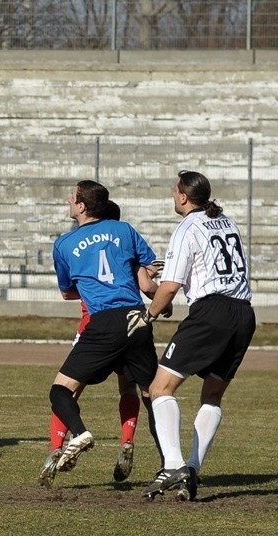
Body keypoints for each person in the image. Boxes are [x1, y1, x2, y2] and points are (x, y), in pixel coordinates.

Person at [138, 170, 255, 501]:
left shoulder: (187, 227)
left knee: (160, 388)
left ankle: (173, 464)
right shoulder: (226, 220)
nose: (173, 196)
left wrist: (148, 314)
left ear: (184, 197)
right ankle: (192, 468)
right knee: (212, 395)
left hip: (212, 312)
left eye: (174, 191)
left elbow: (169, 288)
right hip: (243, 314)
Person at [43, 180, 163, 485]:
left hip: (101, 323)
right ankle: (169, 462)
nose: (68, 201)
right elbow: (148, 279)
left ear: (82, 206)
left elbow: (68, 292)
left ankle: (73, 437)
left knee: (62, 390)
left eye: (71, 198)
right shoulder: (124, 231)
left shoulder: (64, 244)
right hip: (137, 320)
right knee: (151, 396)